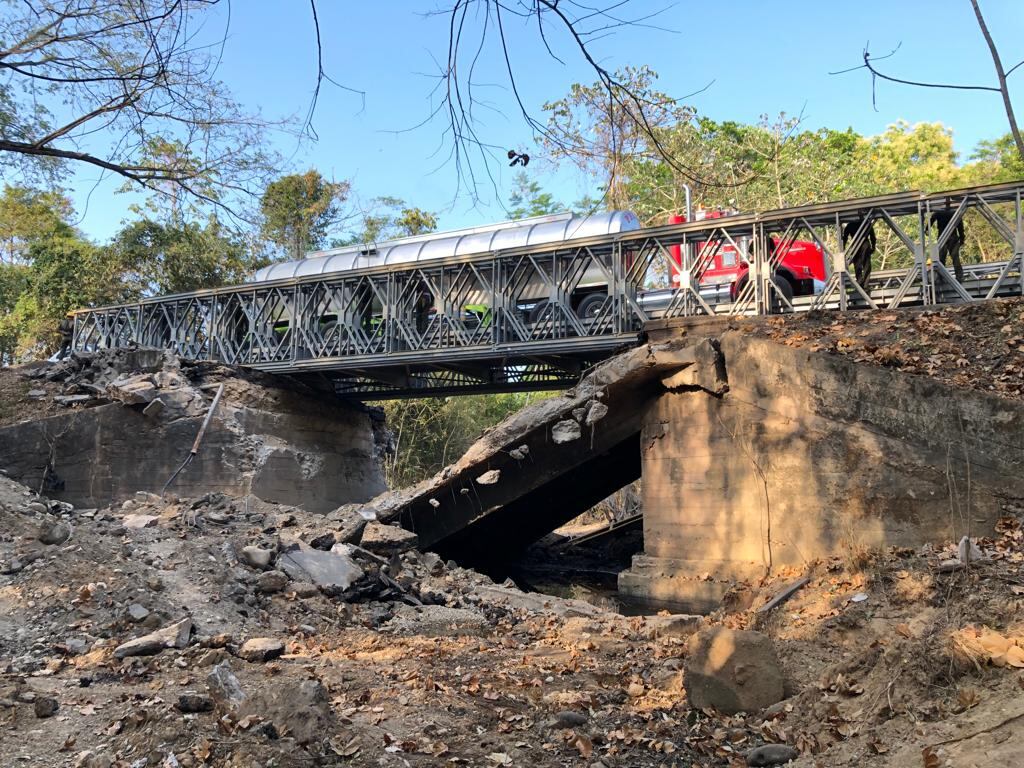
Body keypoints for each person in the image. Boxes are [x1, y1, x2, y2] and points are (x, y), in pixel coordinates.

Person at [930, 201, 965, 283]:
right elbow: (960, 226)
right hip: (953, 237)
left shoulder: (939, 212)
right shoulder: (954, 213)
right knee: (955, 257)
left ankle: (941, 277)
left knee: (941, 258)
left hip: (942, 237)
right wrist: (962, 237)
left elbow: (932, 219)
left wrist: (927, 228)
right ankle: (959, 277)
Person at [842, 218, 877, 288]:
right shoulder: (866, 223)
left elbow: (844, 238)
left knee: (857, 264)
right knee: (866, 264)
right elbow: (873, 236)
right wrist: (873, 247)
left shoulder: (850, 224)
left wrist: (843, 249)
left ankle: (860, 281)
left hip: (855, 244)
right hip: (865, 244)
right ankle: (865, 284)